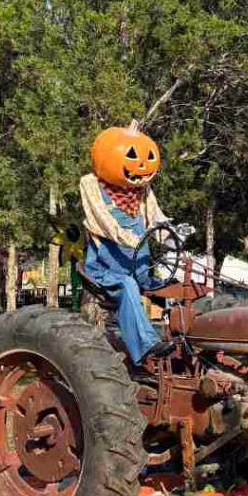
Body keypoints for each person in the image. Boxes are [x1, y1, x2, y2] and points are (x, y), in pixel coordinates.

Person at [79, 121, 176, 363]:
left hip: (139, 265)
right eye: (132, 155)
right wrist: (128, 237)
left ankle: (189, 342)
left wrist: (172, 235)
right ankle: (146, 345)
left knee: (179, 287)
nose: (142, 164)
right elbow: (101, 219)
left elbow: (156, 217)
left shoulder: (142, 189)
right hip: (107, 268)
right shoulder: (90, 184)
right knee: (127, 287)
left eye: (148, 157)